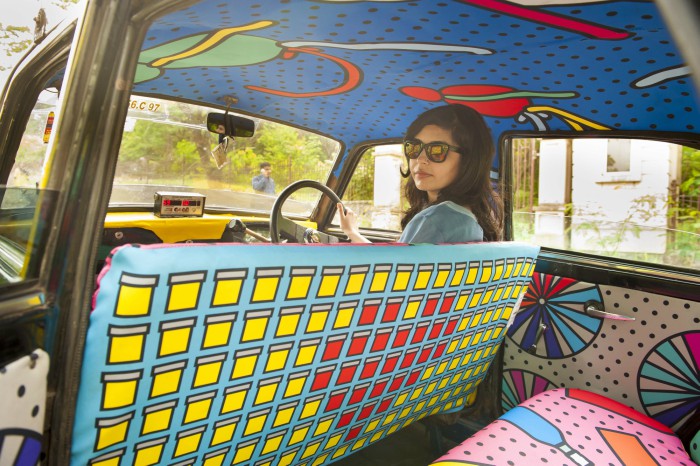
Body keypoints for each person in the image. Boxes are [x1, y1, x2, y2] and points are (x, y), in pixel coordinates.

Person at [337, 104, 503, 244]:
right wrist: (352, 233)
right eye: (414, 147)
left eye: (437, 150)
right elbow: (394, 262)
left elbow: (391, 271)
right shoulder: (466, 217)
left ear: (469, 160)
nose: (420, 159)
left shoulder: (434, 220)